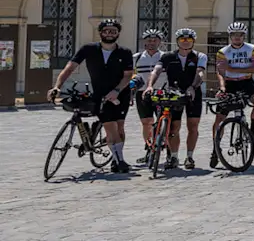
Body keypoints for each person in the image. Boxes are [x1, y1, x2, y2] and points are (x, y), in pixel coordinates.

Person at [50, 18, 136, 173]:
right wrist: (57, 87)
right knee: (110, 128)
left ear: (118, 33)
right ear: (100, 32)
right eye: (106, 31)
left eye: (113, 31)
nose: (110, 34)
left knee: (120, 127)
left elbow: (128, 75)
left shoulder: (125, 52)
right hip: (100, 95)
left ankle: (117, 158)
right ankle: (120, 161)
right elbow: (69, 68)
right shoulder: (88, 49)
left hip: (120, 94)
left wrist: (116, 91)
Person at [147, 27, 207, 169]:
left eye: (189, 39)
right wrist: (150, 85)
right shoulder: (168, 56)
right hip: (174, 93)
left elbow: (200, 73)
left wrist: (193, 87)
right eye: (182, 39)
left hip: (193, 93)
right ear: (177, 41)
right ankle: (173, 157)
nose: (185, 42)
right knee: (174, 127)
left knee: (192, 126)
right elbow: (156, 70)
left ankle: (190, 157)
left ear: (193, 41)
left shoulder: (200, 56)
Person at [215, 21, 254, 144]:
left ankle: (252, 130)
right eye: (234, 34)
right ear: (230, 36)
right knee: (218, 119)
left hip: (246, 82)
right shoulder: (223, 52)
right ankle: (215, 149)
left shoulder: (252, 49)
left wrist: (232, 69)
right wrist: (222, 87)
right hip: (230, 84)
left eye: (240, 34)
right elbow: (220, 71)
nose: (237, 37)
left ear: (244, 36)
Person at [132, 29, 167, 166]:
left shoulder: (165, 56)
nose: (152, 43)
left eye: (155, 40)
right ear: (144, 41)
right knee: (146, 122)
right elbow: (131, 74)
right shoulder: (137, 57)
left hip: (161, 92)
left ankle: (167, 149)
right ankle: (148, 148)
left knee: (162, 121)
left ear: (160, 41)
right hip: (142, 92)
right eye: (149, 40)